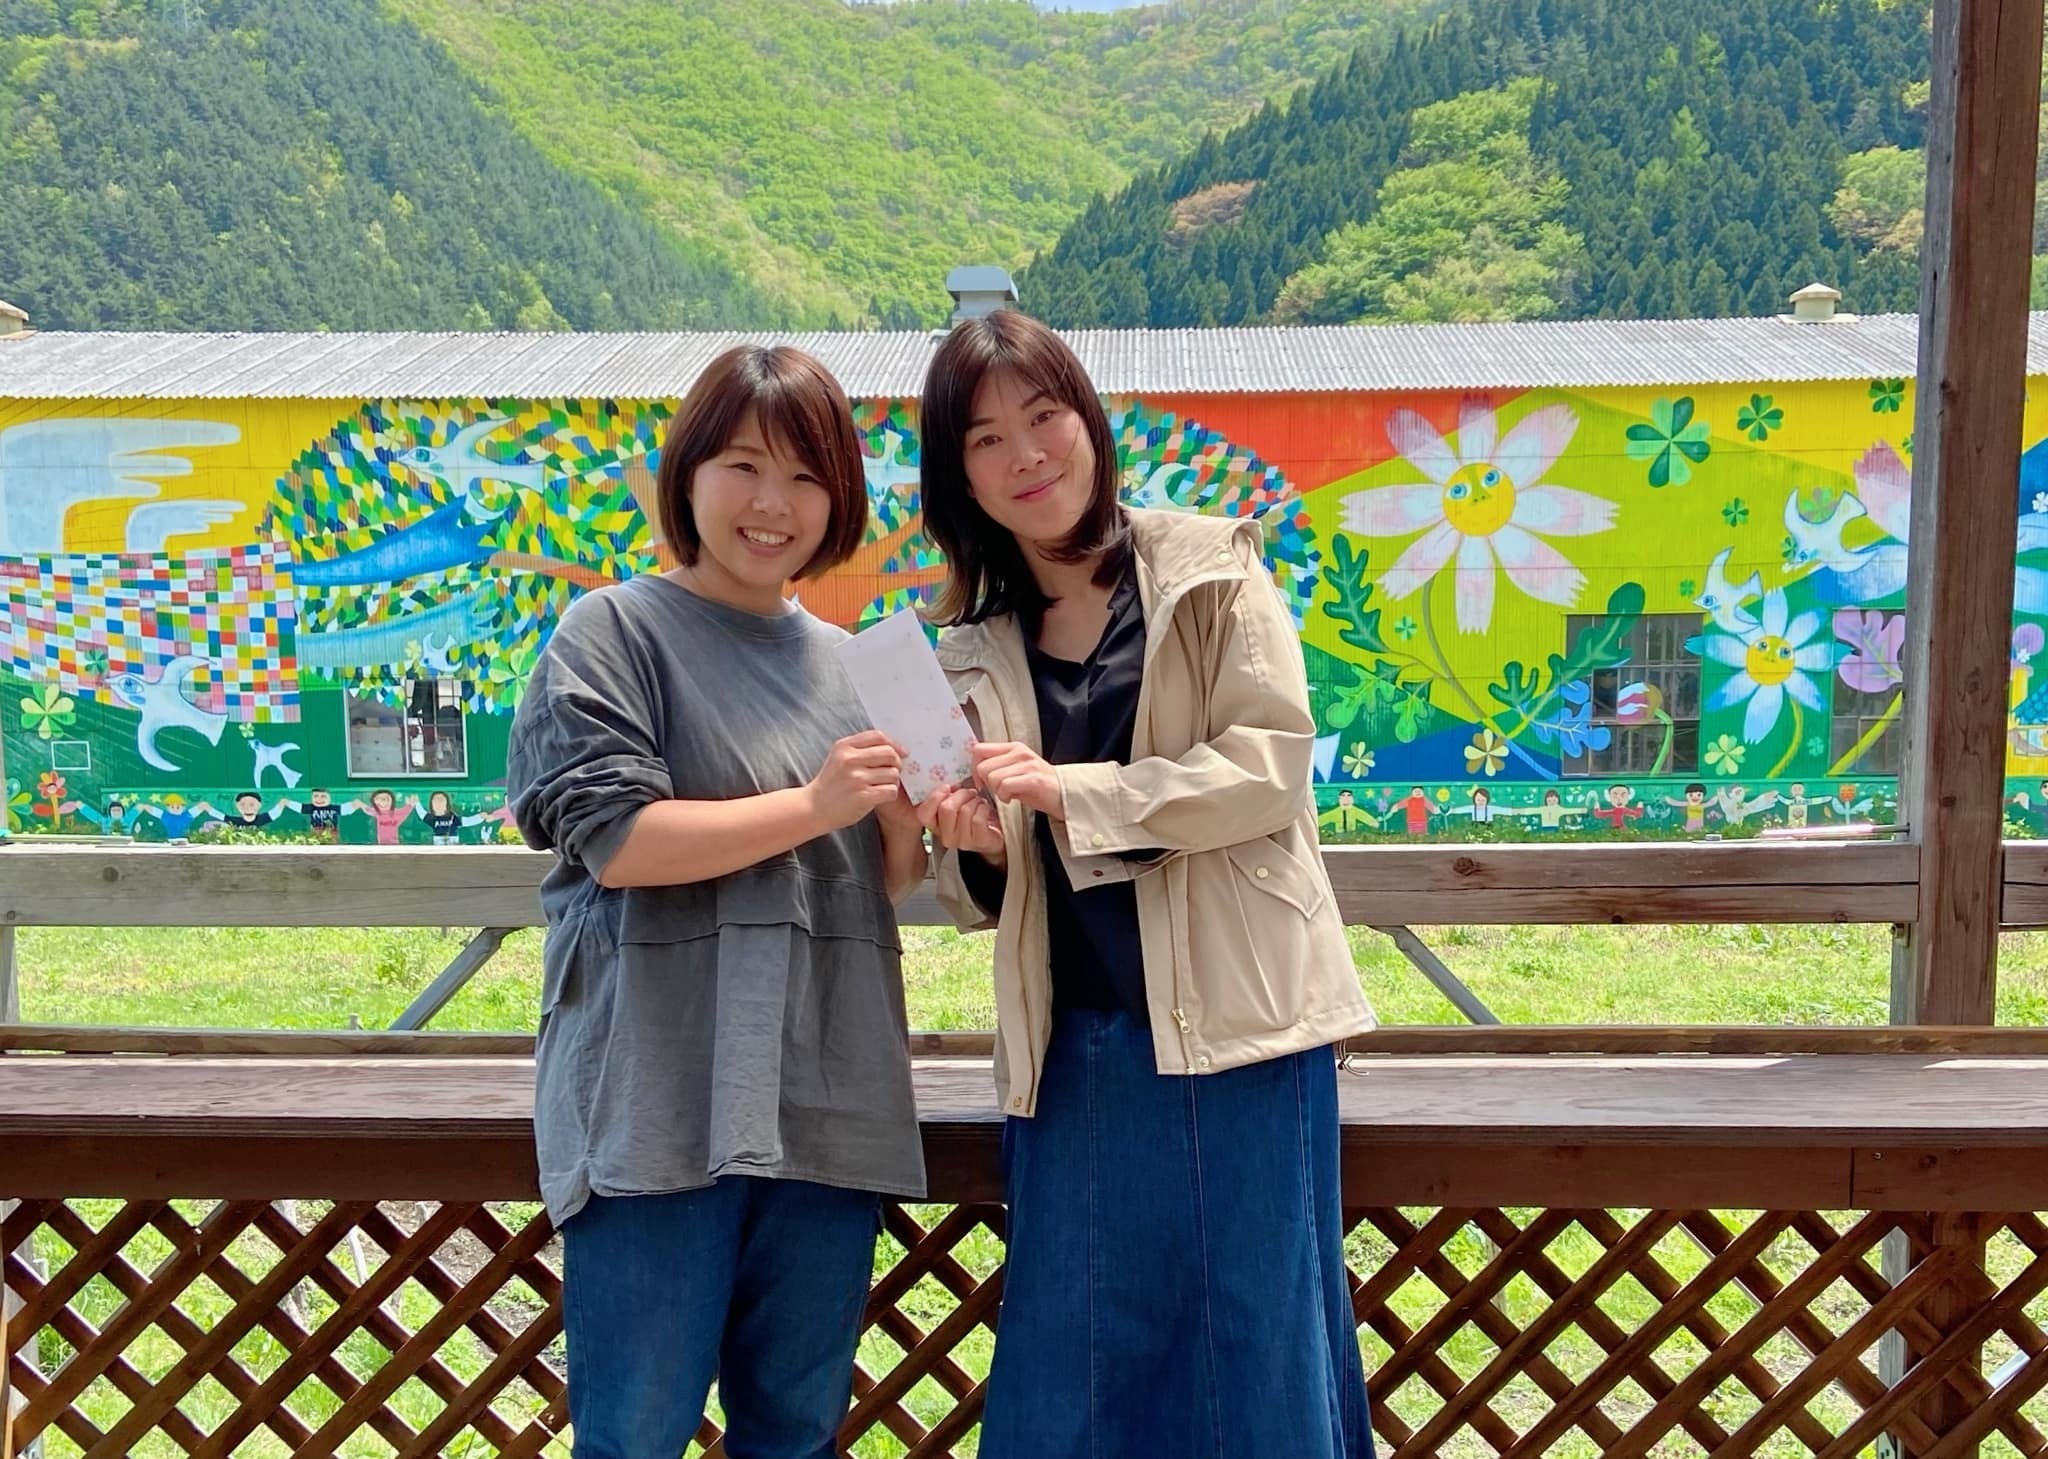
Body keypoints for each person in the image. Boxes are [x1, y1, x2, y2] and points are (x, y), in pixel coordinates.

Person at [910, 309, 1376, 1459]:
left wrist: (1073, 793)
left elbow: (1267, 766)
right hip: (1070, 1051)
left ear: (1087, 420)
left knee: (1255, 1354)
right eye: (984, 440)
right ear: (958, 477)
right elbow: (984, 889)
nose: (1025, 455)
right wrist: (977, 844)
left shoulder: (1210, 570)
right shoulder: (962, 643)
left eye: (1042, 416)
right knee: (1074, 1365)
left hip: (1242, 1035)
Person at [504, 344, 928, 1459]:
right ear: (687, 474)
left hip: (825, 1102)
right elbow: (619, 843)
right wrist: (816, 800)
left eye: (805, 476)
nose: (772, 504)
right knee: (633, 1436)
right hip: (658, 1100)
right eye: (743, 466)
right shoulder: (611, 633)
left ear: (839, 499)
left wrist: (904, 825)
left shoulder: (866, 664)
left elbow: (875, 887)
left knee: (795, 1434)